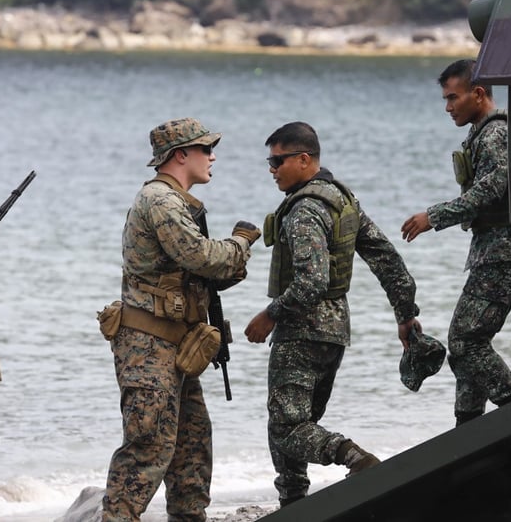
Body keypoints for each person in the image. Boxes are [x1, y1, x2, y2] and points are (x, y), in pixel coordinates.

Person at [244, 121, 422, 508]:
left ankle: (352, 457)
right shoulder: (342, 200)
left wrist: (269, 314)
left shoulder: (305, 209)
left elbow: (311, 282)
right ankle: (293, 503)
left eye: (277, 161)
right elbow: (385, 257)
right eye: (269, 162)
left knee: (287, 427)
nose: (271, 170)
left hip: (301, 333)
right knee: (297, 422)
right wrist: (405, 313)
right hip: (334, 332)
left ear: (303, 159)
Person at [102, 117, 260, 522]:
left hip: (174, 347)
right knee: (147, 447)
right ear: (180, 155)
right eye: (205, 149)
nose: (212, 157)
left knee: (192, 446)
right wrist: (240, 243)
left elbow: (202, 274)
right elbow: (201, 257)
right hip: (149, 347)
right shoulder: (162, 200)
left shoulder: (179, 203)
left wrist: (229, 263)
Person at [401, 59, 511, 427]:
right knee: (470, 341)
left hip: (504, 257)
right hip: (499, 254)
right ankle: (468, 426)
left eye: (452, 98)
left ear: (478, 94)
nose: (448, 107)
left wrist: (435, 216)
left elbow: (493, 188)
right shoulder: (494, 132)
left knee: (464, 343)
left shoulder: (494, 134)